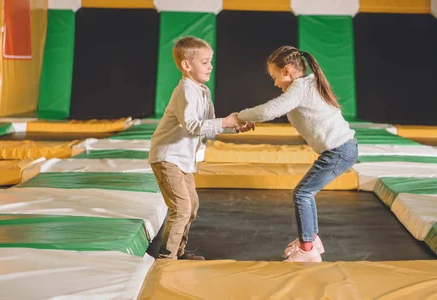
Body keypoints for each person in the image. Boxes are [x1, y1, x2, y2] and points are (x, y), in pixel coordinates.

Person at [237, 46, 358, 262]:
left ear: (288, 70)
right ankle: (311, 240)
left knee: (302, 193)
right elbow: (275, 111)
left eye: (275, 77)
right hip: (341, 149)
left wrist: (240, 116)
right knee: (304, 192)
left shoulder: (300, 87)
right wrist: (250, 119)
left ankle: (308, 249)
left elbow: (269, 110)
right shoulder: (308, 84)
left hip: (339, 151)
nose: (275, 83)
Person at [148, 36, 251, 260]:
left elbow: (208, 126)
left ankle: (179, 251)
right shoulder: (186, 90)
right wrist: (226, 121)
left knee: (191, 205)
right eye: (204, 62)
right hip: (167, 157)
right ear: (186, 66)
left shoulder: (202, 91)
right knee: (182, 208)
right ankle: (167, 258)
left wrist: (235, 127)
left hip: (182, 159)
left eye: (210, 62)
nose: (210, 66)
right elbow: (193, 126)